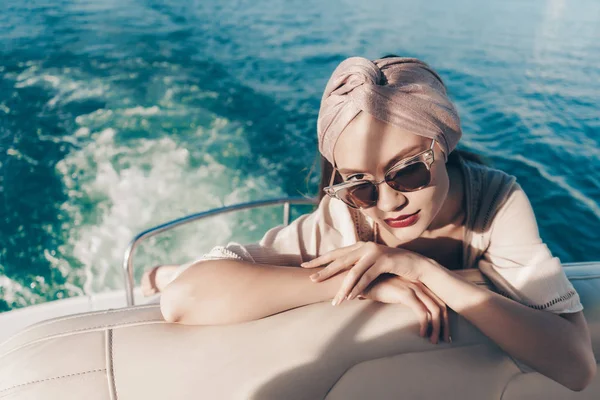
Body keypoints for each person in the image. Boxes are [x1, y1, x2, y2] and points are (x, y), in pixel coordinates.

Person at [142, 55, 595, 391]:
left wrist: (419, 271)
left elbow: (575, 367)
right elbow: (186, 298)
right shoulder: (345, 219)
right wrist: (363, 282)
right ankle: (159, 271)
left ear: (445, 142)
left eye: (409, 170)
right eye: (360, 183)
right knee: (176, 278)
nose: (390, 201)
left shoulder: (497, 201)